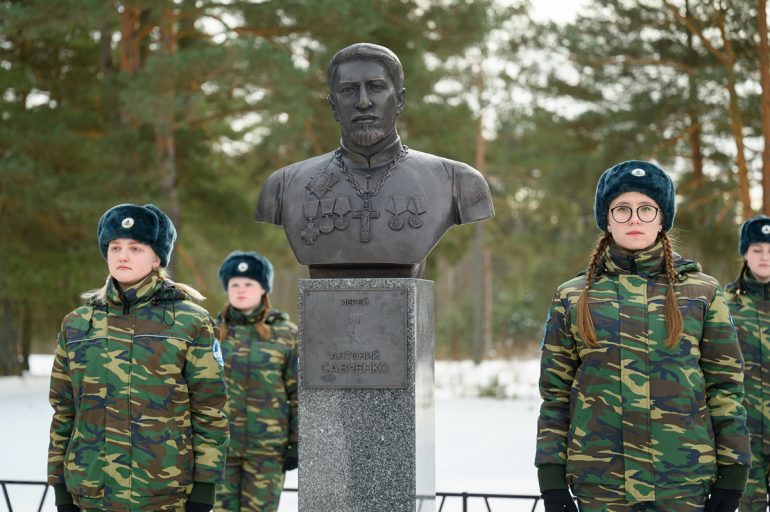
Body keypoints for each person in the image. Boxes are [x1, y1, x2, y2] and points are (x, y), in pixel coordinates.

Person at [535, 161, 750, 512]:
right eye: (622, 209)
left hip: (682, 483)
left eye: (646, 209)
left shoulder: (702, 292)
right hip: (601, 486)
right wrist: (552, 483)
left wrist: (733, 478)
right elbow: (556, 397)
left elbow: (725, 388)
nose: (634, 219)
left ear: (662, 218)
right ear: (606, 219)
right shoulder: (572, 297)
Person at [254, 42, 494, 278]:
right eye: (348, 90)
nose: (363, 102)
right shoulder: (283, 186)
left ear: (399, 100)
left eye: (376, 87)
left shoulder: (456, 182)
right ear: (333, 106)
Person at [47, 203, 229, 512]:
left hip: (164, 493)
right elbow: (64, 411)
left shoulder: (190, 321)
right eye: (115, 247)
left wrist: (204, 488)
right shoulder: (78, 323)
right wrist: (60, 487)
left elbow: (209, 409)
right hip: (91, 493)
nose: (122, 255)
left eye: (135, 248)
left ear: (157, 257)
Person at [213, 251, 298, 512]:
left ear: (263, 288)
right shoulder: (209, 333)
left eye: (248, 284)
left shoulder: (286, 334)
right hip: (220, 449)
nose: (241, 290)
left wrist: (296, 441)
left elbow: (297, 394)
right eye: (234, 284)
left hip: (267, 451)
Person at [725, 215, 770, 511]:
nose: (765, 257)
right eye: (757, 249)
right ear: (744, 253)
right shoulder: (724, 305)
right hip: (744, 439)